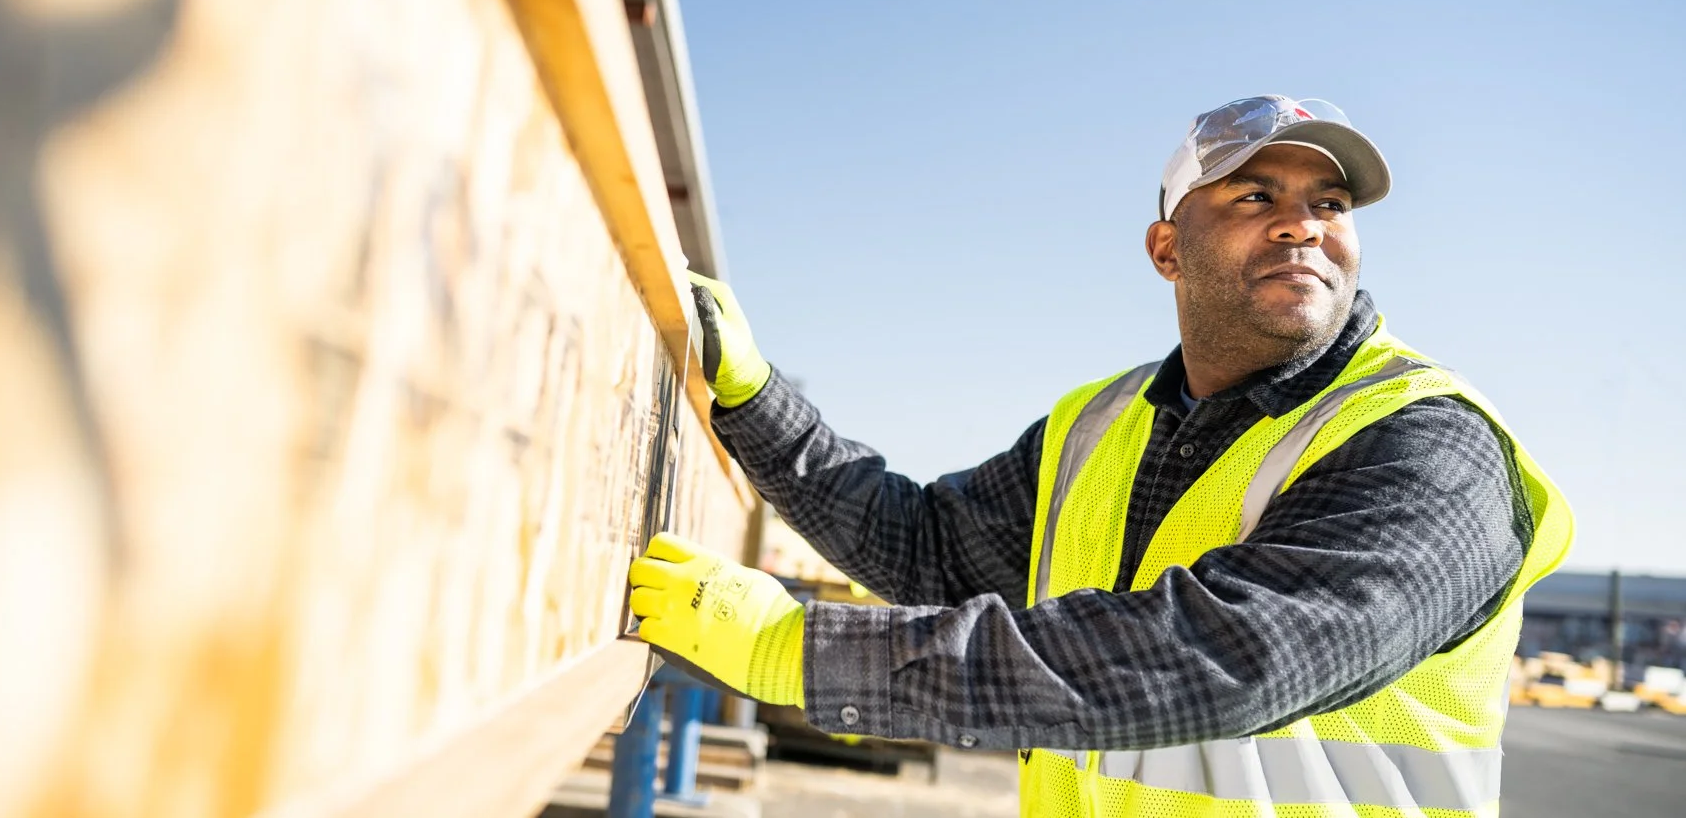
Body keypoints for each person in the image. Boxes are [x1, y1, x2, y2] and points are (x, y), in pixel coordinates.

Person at [628, 94, 1573, 817]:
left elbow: (1230, 657)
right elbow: (927, 548)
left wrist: (806, 655)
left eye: (1329, 201)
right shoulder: (1101, 423)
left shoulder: (1429, 444)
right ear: (1167, 248)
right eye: (1256, 194)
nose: (1303, 222)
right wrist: (754, 399)